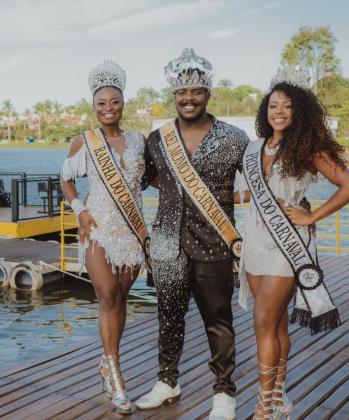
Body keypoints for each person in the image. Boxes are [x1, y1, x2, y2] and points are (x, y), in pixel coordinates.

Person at [237, 67, 349, 419]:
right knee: (275, 325)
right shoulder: (256, 147)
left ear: (298, 112)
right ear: (265, 111)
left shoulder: (309, 148)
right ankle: (277, 398)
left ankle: (263, 407)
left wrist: (312, 216)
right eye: (272, 105)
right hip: (256, 242)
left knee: (262, 321)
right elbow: (257, 191)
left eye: (286, 106)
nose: (278, 111)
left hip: (287, 245)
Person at [136, 48, 249, 420]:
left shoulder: (234, 138)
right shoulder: (157, 138)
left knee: (218, 319)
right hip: (167, 242)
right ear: (174, 96)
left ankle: (224, 392)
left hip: (215, 244)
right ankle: (168, 380)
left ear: (208, 94)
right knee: (168, 316)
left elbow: (260, 182)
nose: (189, 99)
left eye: (196, 92)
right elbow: (144, 178)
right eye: (182, 93)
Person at [60, 60, 149, 414]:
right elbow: (65, 179)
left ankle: (105, 360)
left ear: (123, 103)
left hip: (132, 231)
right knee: (108, 295)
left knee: (120, 299)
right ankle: (114, 373)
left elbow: (151, 179)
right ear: (93, 107)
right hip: (98, 228)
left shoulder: (140, 141)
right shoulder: (84, 141)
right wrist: (79, 209)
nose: (108, 108)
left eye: (114, 102)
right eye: (101, 103)